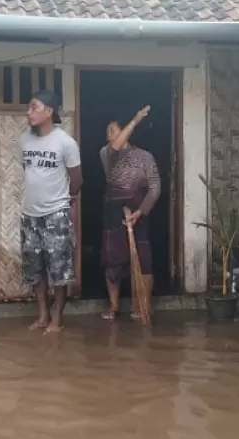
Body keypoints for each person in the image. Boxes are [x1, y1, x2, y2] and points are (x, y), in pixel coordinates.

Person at [19, 90, 83, 334]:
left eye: (34, 107)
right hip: (30, 215)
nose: (29, 112)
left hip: (56, 214)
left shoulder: (65, 143)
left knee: (59, 270)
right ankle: (43, 316)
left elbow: (76, 180)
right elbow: (27, 168)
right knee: (35, 269)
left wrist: (65, 202)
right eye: (29, 107)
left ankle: (58, 318)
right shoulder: (24, 140)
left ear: (49, 111)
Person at [99, 105, 160, 321]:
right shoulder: (107, 154)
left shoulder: (145, 157)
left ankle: (142, 307)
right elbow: (116, 146)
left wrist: (141, 211)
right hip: (113, 214)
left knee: (143, 260)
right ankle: (114, 306)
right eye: (108, 132)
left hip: (139, 215)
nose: (110, 135)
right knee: (113, 262)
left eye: (113, 130)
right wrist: (135, 119)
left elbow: (155, 188)